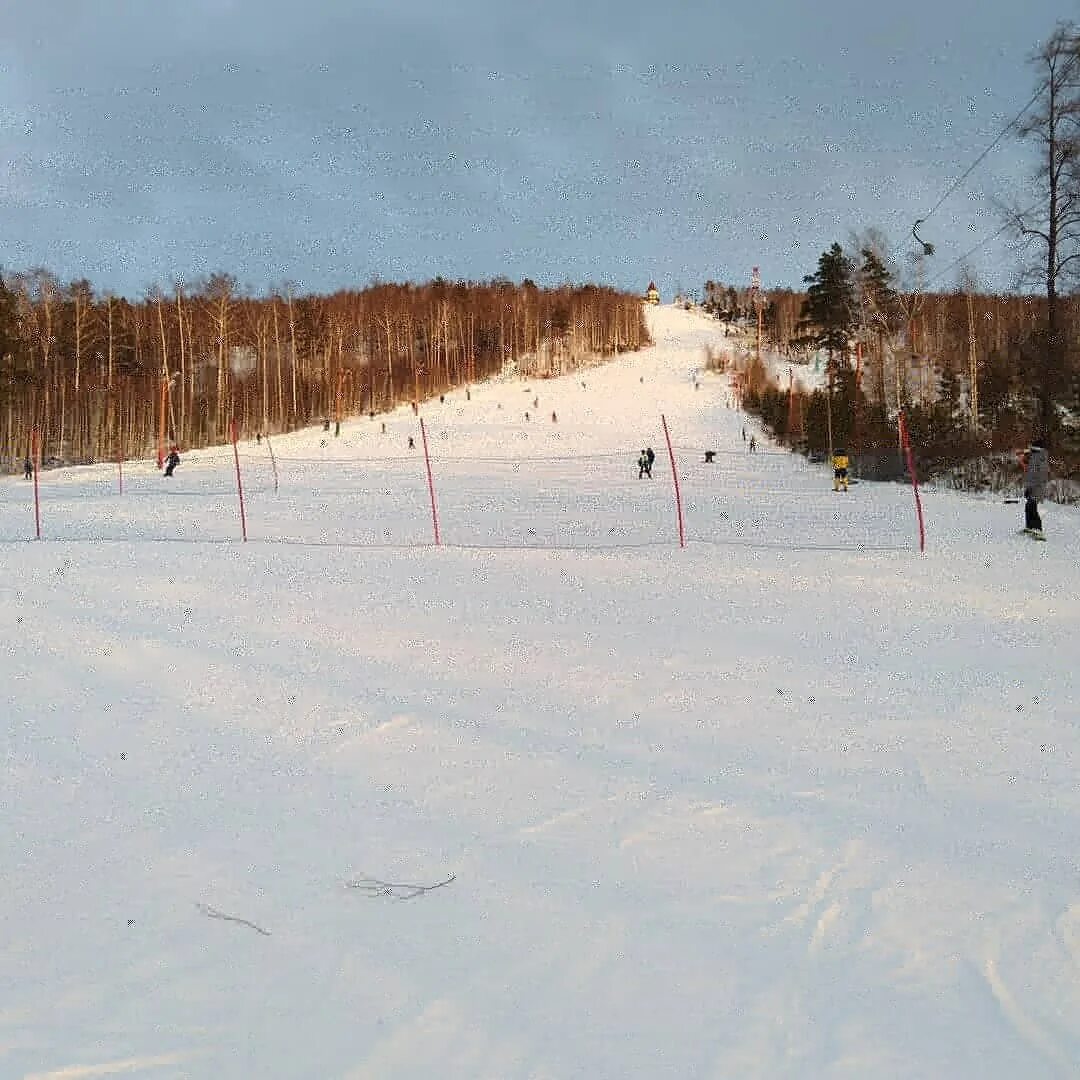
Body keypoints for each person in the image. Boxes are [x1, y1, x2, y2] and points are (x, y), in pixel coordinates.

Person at [1021, 439, 1049, 536]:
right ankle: (1029, 527)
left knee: (1032, 507)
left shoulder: (1040, 458)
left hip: (1037, 488)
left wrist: (1032, 488)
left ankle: (1038, 529)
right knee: (1028, 507)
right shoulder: (1034, 457)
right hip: (1032, 487)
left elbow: (1041, 475)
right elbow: (1030, 472)